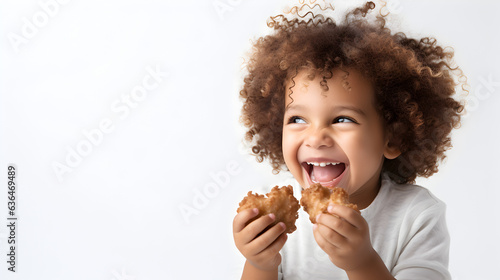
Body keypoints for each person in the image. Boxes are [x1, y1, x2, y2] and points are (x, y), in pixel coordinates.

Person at [232, 1, 465, 279]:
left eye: (343, 119)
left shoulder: (417, 216)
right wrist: (260, 264)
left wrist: (362, 263)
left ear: (393, 137)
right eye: (297, 119)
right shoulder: (278, 219)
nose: (316, 137)